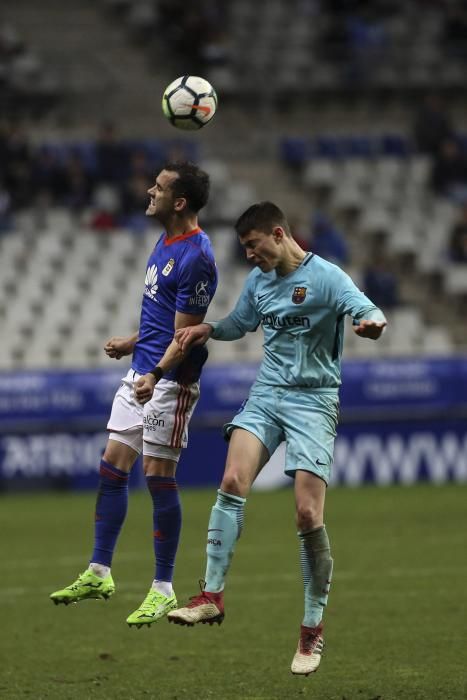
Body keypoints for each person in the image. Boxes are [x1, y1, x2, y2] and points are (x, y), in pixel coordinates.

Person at [165, 201, 387, 675]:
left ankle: (311, 632)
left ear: (279, 234)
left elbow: (366, 307)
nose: (249, 255)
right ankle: (211, 596)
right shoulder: (259, 282)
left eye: (253, 245)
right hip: (268, 393)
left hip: (314, 401)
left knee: (307, 515)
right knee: (231, 483)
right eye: (245, 248)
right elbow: (240, 323)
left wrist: (372, 324)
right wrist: (208, 328)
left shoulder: (326, 276)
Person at [50, 161, 218, 628]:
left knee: (158, 477)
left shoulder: (198, 256)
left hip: (170, 382)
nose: (149, 190)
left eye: (159, 187)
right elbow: (164, 320)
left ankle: (163, 588)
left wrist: (156, 375)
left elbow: (185, 338)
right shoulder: (164, 241)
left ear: (179, 201)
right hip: (142, 369)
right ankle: (100, 570)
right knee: (111, 467)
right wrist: (133, 343)